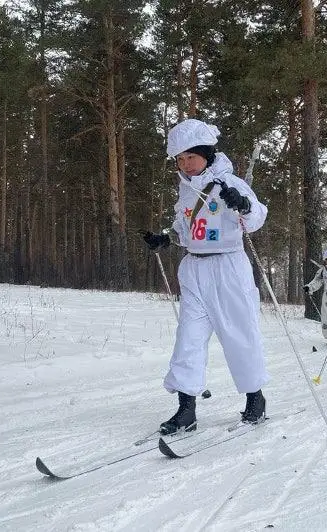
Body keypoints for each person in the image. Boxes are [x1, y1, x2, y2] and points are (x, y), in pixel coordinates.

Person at [140, 118, 269, 435]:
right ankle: (186, 409)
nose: (186, 164)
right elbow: (186, 231)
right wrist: (167, 239)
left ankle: (255, 399)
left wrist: (244, 206)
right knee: (188, 339)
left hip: (228, 267)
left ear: (207, 154)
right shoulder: (185, 191)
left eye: (191, 157)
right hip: (194, 269)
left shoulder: (229, 182)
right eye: (180, 159)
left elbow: (257, 216)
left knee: (239, 334)